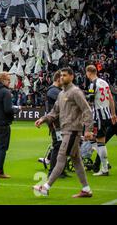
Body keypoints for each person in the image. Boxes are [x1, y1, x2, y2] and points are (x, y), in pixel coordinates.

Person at [34, 67, 94, 198]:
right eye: (61, 76)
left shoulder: (75, 92)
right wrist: (43, 119)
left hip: (73, 131)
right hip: (66, 130)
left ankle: (46, 187)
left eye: (65, 75)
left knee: (61, 157)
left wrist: (89, 129)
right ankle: (86, 189)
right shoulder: (61, 94)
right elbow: (54, 112)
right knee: (76, 160)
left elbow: (87, 110)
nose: (62, 78)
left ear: (72, 77)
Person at [85, 65, 116, 176]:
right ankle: (105, 164)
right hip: (106, 115)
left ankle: (104, 168)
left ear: (88, 72)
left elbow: (90, 102)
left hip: (98, 116)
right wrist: (113, 114)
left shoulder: (93, 84)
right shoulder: (104, 82)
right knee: (94, 139)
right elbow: (111, 99)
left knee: (99, 142)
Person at [44, 71, 68, 177]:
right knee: (57, 146)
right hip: (56, 123)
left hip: (59, 122)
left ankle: (60, 170)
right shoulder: (53, 91)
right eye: (62, 77)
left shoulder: (56, 90)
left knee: (61, 146)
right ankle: (53, 171)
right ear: (58, 79)